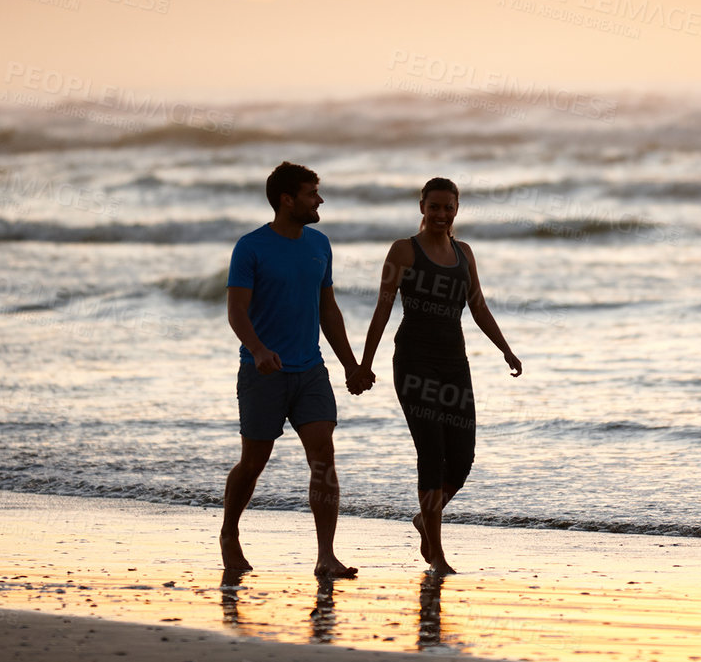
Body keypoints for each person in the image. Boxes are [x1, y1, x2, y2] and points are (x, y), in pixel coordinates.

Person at [359, 177, 521, 574]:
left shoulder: (465, 253)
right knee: (431, 454)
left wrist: (505, 348)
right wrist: (364, 364)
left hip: (455, 363)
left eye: (448, 207)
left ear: (457, 209)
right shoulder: (404, 251)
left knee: (462, 460)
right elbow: (382, 308)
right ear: (421, 207)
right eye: (434, 207)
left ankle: (423, 519)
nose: (441, 214)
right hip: (414, 362)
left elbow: (478, 306)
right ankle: (437, 550)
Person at [221, 161, 372, 578]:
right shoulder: (250, 247)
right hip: (262, 372)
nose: (319, 200)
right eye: (311, 194)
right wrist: (257, 349)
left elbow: (328, 310)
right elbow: (236, 311)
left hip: (310, 369)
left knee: (323, 453)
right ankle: (229, 533)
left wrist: (351, 365)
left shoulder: (320, 244)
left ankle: (326, 555)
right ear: (287, 200)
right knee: (253, 461)